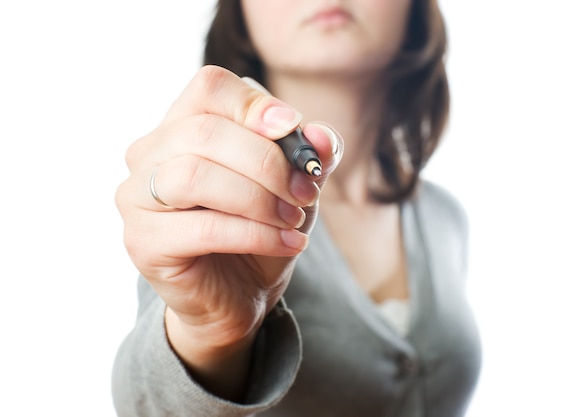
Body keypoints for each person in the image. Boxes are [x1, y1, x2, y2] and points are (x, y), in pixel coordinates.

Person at [112, 0, 481, 416]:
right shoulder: (213, 196)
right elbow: (145, 399)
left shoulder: (443, 217)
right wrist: (210, 333)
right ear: (239, 14)